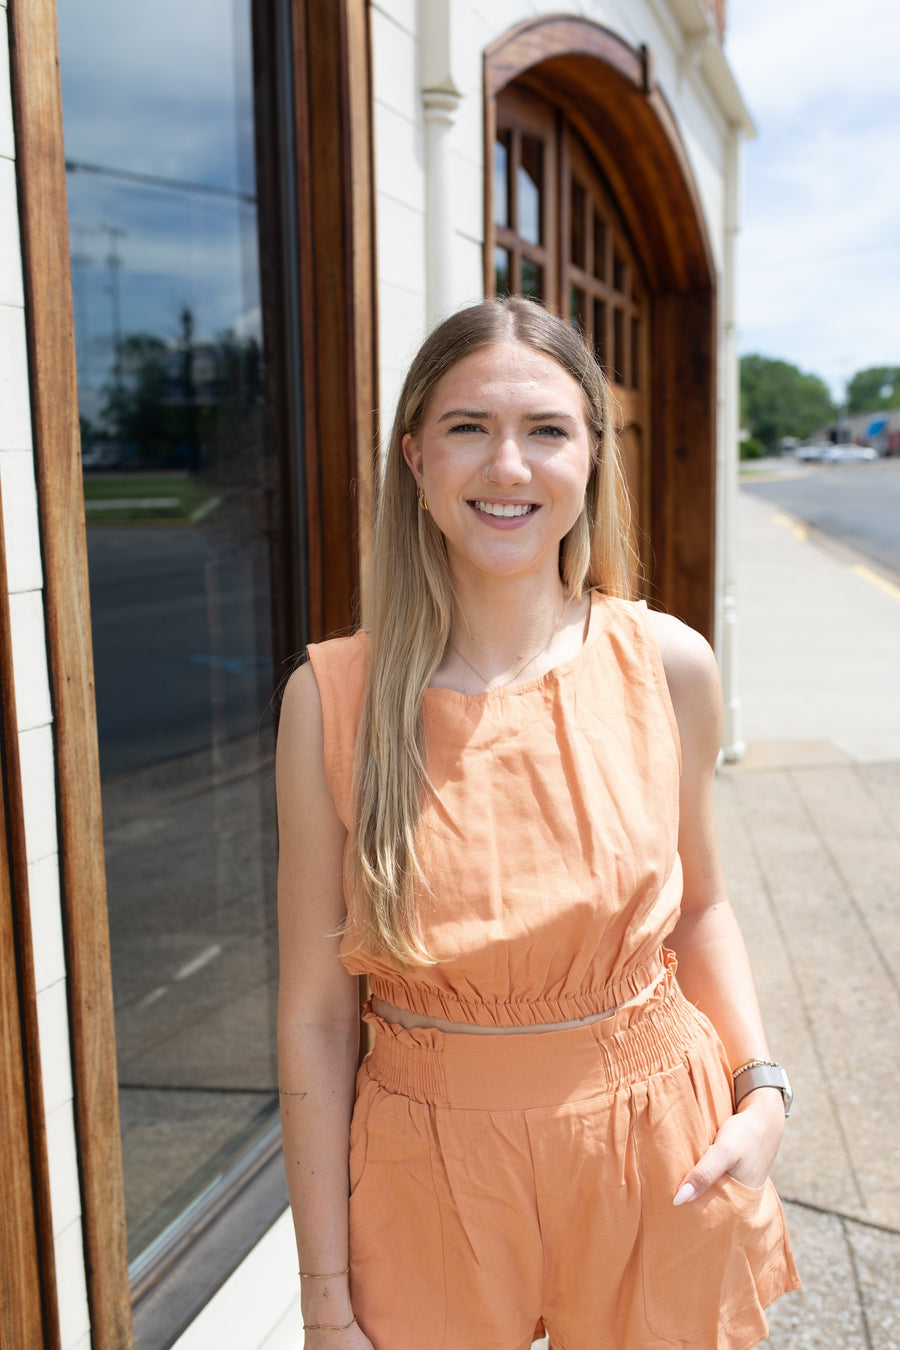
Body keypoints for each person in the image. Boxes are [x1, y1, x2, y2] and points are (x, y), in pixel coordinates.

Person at [276, 297, 800, 1350]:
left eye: (546, 430)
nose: (507, 466)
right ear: (416, 458)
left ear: (593, 457)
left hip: (661, 1144)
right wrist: (324, 1299)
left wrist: (763, 1090)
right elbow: (319, 1020)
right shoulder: (332, 699)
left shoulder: (668, 664)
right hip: (428, 1173)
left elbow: (700, 909)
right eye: (469, 427)